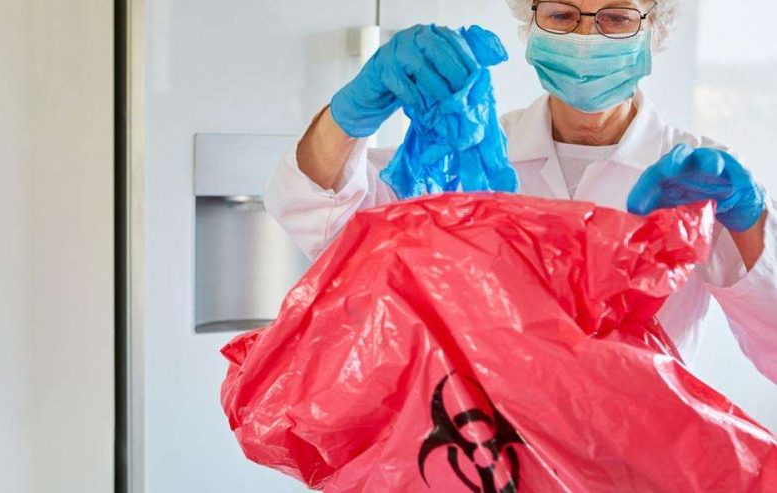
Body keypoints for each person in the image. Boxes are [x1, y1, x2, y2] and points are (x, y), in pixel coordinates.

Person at [263, 0, 777, 383]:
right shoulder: (471, 152)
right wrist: (352, 111)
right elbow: (322, 218)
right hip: (481, 456)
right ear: (532, 22)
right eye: (562, 14)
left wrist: (748, 221)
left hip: (633, 464)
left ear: (654, 30)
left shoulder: (698, 175)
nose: (585, 38)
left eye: (616, 17)